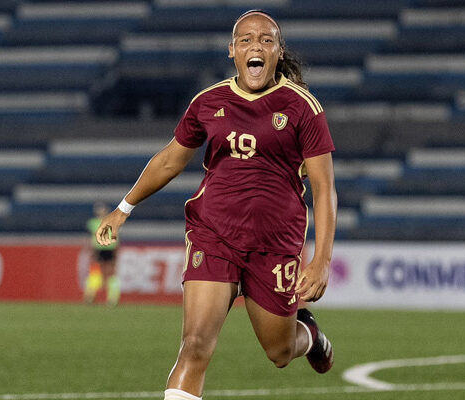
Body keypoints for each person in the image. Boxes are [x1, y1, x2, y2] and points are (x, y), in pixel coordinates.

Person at [96, 9, 337, 400]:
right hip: (213, 236)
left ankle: (308, 335)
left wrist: (322, 259)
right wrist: (124, 208)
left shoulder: (302, 107)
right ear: (232, 51)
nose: (255, 46)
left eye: (265, 40)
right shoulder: (208, 102)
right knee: (194, 345)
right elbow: (171, 160)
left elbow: (325, 188)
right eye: (245, 40)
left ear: (277, 52)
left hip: (274, 243)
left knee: (278, 352)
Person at [85, 202, 120, 306]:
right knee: (95, 272)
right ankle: (90, 295)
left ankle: (113, 298)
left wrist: (116, 250)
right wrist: (92, 250)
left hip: (109, 248)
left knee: (110, 273)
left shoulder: (112, 222)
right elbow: (91, 238)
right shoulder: (93, 223)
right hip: (98, 249)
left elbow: (116, 237)